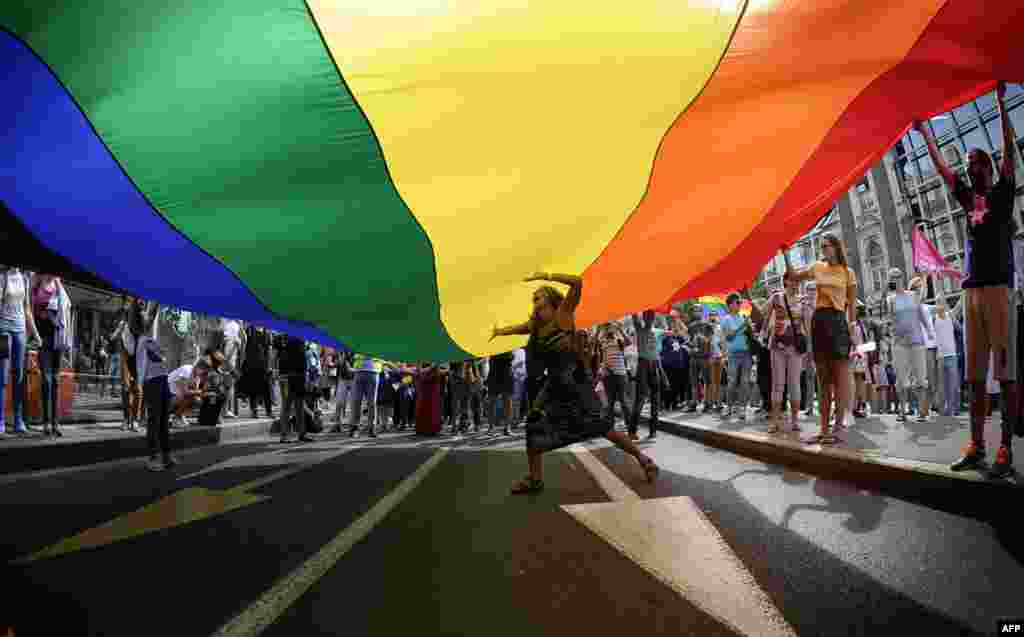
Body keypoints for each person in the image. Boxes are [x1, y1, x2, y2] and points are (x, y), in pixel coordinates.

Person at [916, 84, 1018, 477]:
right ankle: (976, 444)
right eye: (969, 162)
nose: (970, 167)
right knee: (975, 376)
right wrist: (925, 133)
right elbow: (942, 168)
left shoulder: (1003, 193)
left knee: (1006, 374)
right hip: (972, 294)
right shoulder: (965, 199)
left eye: (978, 161)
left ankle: (1005, 449)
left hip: (999, 292)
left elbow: (1009, 150)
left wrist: (998, 104)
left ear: (989, 169)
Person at [490, 272, 658, 494]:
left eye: (538, 298)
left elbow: (578, 283)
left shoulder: (563, 316)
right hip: (554, 386)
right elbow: (519, 328)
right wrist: (499, 332)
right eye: (534, 300)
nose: (535, 303)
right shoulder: (537, 327)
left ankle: (643, 459)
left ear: (550, 301)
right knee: (533, 424)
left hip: (576, 384)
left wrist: (546, 275)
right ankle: (534, 479)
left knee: (603, 428)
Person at [786, 233, 858, 444]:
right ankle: (823, 430)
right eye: (821, 247)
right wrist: (786, 253)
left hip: (838, 322)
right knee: (823, 379)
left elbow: (852, 304)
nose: (823, 250)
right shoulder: (817, 267)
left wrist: (852, 327)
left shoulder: (848, 272)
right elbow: (793, 276)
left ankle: (837, 428)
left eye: (825, 246)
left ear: (836, 247)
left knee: (840, 379)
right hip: (819, 321)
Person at [761, 271, 808, 432]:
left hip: (795, 346)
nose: (796, 284)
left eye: (797, 281)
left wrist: (810, 345)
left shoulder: (803, 300)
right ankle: (775, 422)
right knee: (778, 384)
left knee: (794, 384)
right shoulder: (776, 298)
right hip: (777, 345)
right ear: (786, 281)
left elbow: (807, 325)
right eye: (792, 280)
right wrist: (763, 332)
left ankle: (794, 421)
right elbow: (764, 314)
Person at [29, 273, 71, 436]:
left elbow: (66, 308)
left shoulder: (58, 285)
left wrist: (59, 286)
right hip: (42, 338)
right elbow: (30, 310)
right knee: (46, 379)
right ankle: (46, 422)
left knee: (55, 380)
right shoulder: (36, 282)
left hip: (57, 338)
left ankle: (55, 423)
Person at [0, 267, 40, 435]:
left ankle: (18, 419)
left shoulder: (25, 278)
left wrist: (36, 334)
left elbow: (27, 309)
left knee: (20, 376)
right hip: (3, 328)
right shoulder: (3, 277)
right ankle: (1, 420)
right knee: (3, 375)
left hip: (20, 329)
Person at [631, 310, 669, 439]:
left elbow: (671, 331)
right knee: (640, 398)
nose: (649, 318)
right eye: (647, 316)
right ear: (643, 317)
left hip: (655, 364)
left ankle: (653, 431)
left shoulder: (658, 331)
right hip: (643, 364)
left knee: (655, 398)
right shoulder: (639, 329)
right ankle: (632, 431)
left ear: (653, 317)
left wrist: (666, 315)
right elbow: (634, 316)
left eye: (651, 316)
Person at [719, 293, 754, 421]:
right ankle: (728, 407)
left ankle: (742, 408)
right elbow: (729, 336)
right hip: (733, 354)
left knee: (745, 382)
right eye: (737, 302)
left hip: (747, 354)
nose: (740, 305)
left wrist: (750, 327)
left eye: (740, 302)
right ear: (730, 305)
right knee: (732, 381)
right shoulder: (726, 319)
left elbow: (751, 335)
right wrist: (743, 325)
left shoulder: (744, 316)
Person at [597, 322, 634, 427]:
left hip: (621, 375)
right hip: (608, 376)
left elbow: (629, 342)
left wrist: (620, 330)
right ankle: (610, 427)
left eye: (610, 327)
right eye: (607, 327)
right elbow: (595, 344)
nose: (609, 329)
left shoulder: (619, 340)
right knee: (610, 402)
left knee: (624, 401)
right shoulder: (602, 341)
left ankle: (630, 427)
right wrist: (599, 330)